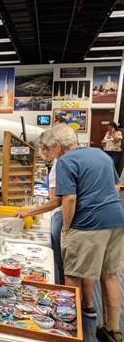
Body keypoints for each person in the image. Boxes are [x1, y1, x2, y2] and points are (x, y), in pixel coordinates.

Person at [48, 124, 124, 338]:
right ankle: (113, 329)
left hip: (89, 223)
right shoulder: (101, 155)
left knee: (73, 274)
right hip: (116, 219)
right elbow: (116, 187)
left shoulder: (65, 161)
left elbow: (69, 198)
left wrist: (66, 228)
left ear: (58, 145)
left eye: (52, 148)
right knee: (110, 275)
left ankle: (69, 328)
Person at [14, 132, 63, 283]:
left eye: (42, 149)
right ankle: (84, 302)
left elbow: (56, 201)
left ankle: (65, 288)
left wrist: (29, 212)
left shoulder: (61, 163)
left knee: (62, 260)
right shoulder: (60, 162)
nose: (41, 154)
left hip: (61, 214)